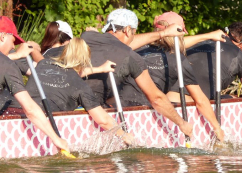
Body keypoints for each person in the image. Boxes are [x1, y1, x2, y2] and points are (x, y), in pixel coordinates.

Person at [81, 8, 226, 141]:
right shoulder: (173, 59)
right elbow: (197, 99)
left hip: (100, 105)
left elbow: (124, 43)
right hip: (135, 112)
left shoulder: (132, 47)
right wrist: (216, 128)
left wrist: (206, 35)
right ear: (127, 30)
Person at [169, 19, 242, 147]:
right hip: (189, 110)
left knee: (231, 97)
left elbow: (174, 45)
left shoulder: (200, 42)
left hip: (168, 103)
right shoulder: (239, 58)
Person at [121, 12, 224, 142]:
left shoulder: (137, 48)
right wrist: (217, 128)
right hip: (142, 112)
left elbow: (119, 44)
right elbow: (201, 100)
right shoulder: (178, 59)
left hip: (117, 107)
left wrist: (208, 35)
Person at [11, 37, 134, 145]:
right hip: (40, 125)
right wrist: (124, 135)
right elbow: (103, 120)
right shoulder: (80, 86)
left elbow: (65, 71)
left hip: (13, 115)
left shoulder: (44, 63)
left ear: (64, 53)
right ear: (86, 61)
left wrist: (32, 49)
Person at [0, 16, 70, 153]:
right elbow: (30, 108)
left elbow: (34, 69)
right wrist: (56, 139)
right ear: (2, 36)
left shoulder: (8, 62)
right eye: (13, 41)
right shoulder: (7, 66)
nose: (13, 47)